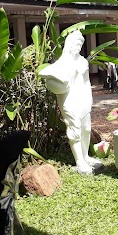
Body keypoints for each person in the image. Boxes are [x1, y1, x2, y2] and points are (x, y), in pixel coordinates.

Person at [39, 30, 103, 174]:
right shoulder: (62, 63)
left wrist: (90, 97)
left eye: (80, 44)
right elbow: (45, 74)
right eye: (75, 43)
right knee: (75, 129)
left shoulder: (83, 62)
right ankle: (79, 161)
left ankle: (85, 156)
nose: (78, 46)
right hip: (69, 100)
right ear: (69, 44)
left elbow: (87, 82)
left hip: (83, 99)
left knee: (86, 129)